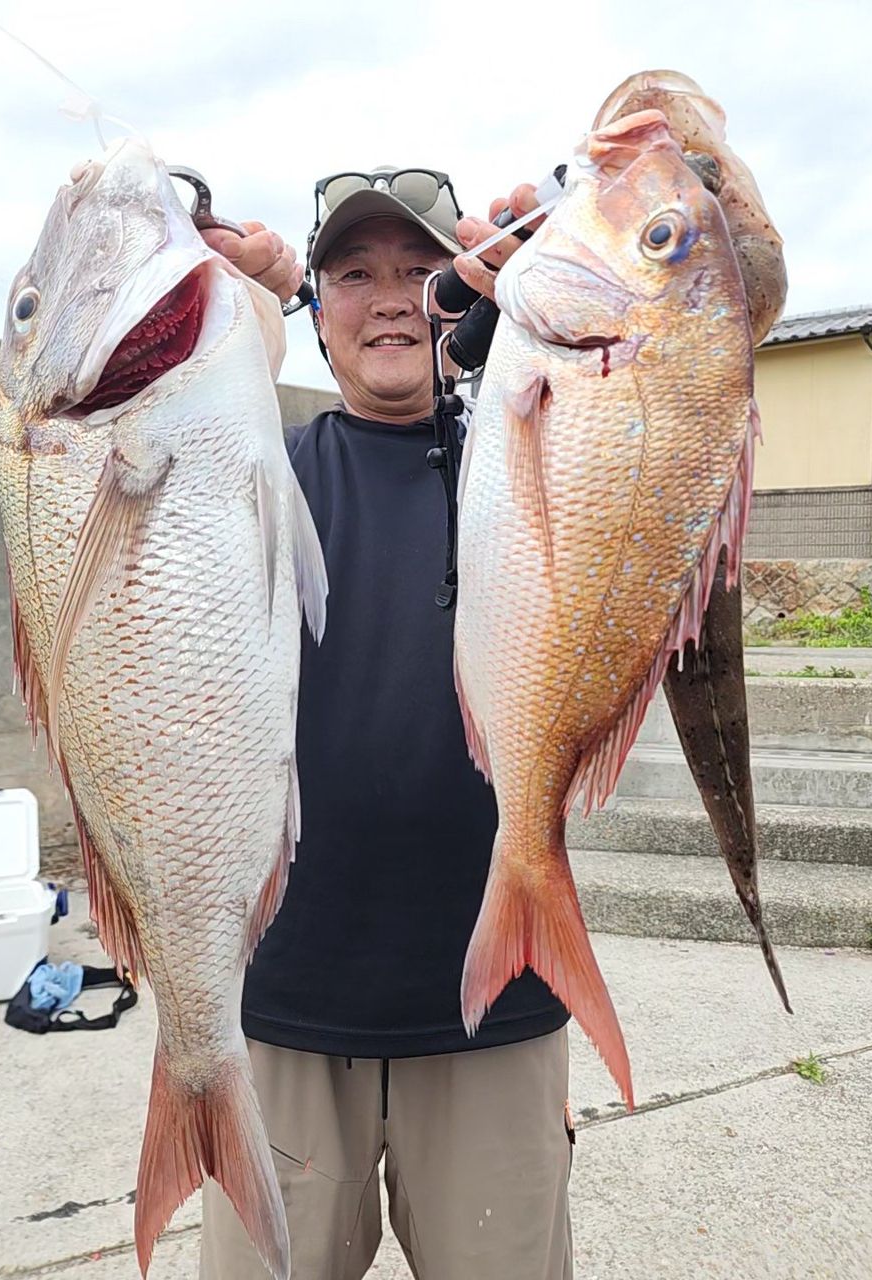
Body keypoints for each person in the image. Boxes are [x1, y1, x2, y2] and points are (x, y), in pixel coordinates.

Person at [197, 168, 574, 1280]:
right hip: (283, 1001)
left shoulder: (521, 458)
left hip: (497, 1000)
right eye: (353, 273)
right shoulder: (266, 474)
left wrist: (542, 299)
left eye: (420, 270)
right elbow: (163, 454)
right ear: (317, 311)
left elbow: (626, 450)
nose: (391, 298)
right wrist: (235, 301)